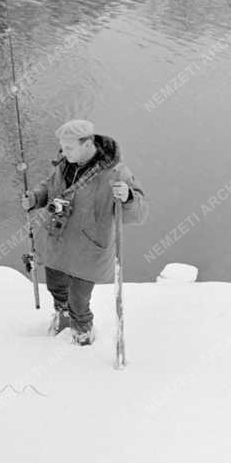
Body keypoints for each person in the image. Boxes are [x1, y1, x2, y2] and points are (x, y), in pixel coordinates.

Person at [22, 119, 147, 346]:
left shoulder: (116, 173)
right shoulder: (64, 164)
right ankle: (63, 317)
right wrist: (35, 198)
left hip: (87, 248)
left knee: (79, 300)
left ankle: (82, 335)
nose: (63, 151)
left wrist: (128, 196)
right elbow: (49, 187)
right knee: (55, 287)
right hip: (58, 239)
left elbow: (139, 214)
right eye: (62, 147)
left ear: (87, 145)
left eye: (69, 147)